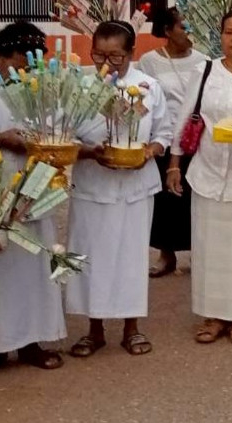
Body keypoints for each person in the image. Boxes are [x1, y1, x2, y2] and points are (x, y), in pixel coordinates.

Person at [67, 21, 172, 358]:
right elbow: (61, 132)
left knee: (130, 257)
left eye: (116, 56)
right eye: (99, 55)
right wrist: (87, 152)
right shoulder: (79, 86)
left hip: (134, 188)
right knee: (90, 257)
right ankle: (93, 329)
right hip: (92, 184)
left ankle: (131, 327)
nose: (106, 64)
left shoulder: (148, 86)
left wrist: (149, 152)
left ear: (132, 53)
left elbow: (163, 134)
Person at [168, 12, 232, 345]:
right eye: (229, 32)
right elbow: (185, 118)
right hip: (208, 171)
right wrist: (174, 164)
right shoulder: (205, 71)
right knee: (209, 247)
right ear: (220, 35)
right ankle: (212, 316)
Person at [0, 23, 66, 370]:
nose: (26, 67)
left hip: (34, 190)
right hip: (0, 189)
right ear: (2, 55)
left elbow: (56, 131)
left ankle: (30, 341)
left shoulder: (41, 90)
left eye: (33, 60)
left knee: (33, 266)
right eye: (19, 58)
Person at [137, 7, 206, 278]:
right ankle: (167, 255)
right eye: (183, 26)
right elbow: (143, 100)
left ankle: (199, 253)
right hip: (163, 137)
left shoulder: (203, 61)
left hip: (195, 138)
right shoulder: (149, 61)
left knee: (194, 195)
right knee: (165, 199)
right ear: (167, 31)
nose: (188, 32)